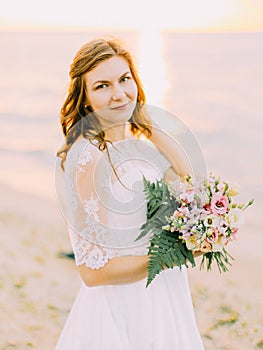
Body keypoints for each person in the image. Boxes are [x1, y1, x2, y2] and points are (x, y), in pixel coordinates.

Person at [55, 36, 204, 349]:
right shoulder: (88, 158)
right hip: (122, 308)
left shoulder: (139, 149)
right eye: (102, 86)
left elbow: (191, 185)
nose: (119, 94)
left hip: (164, 293)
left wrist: (147, 124)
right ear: (85, 100)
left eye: (124, 79)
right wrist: (175, 255)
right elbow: (92, 272)